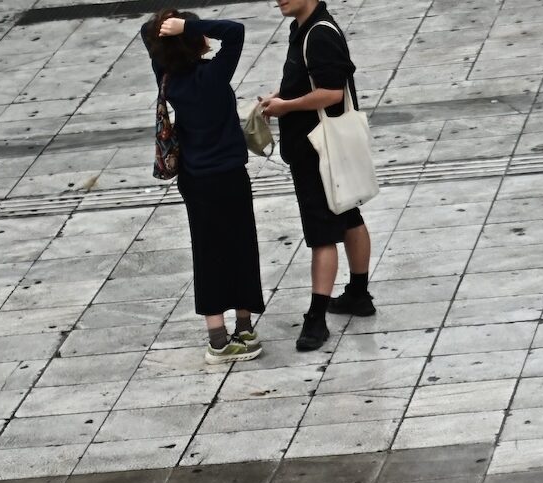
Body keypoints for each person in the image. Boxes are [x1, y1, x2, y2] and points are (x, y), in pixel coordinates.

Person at [142, 11, 265, 365]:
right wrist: (188, 25)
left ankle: (217, 338)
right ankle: (244, 329)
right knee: (241, 248)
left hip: (195, 181)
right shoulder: (214, 74)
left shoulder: (166, 77)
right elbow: (235, 32)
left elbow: (146, 32)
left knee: (208, 253)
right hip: (229, 176)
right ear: (195, 40)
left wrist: (173, 30)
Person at [259, 0, 375, 353]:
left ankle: (316, 319)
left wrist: (286, 107)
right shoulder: (303, 27)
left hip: (317, 151)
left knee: (322, 234)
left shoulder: (319, 34)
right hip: (320, 148)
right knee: (348, 214)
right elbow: (310, 82)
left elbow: (332, 92)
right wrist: (280, 97)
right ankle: (358, 294)